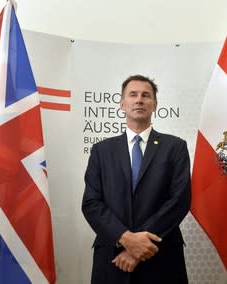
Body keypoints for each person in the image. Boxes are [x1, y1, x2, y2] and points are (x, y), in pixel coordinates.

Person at [82, 74, 191, 284]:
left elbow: (179, 201)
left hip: (161, 255)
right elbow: (91, 203)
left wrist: (136, 249)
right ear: (122, 104)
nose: (139, 100)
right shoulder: (101, 151)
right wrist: (126, 238)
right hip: (113, 257)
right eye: (133, 95)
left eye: (145, 95)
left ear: (155, 105)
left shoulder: (175, 147)